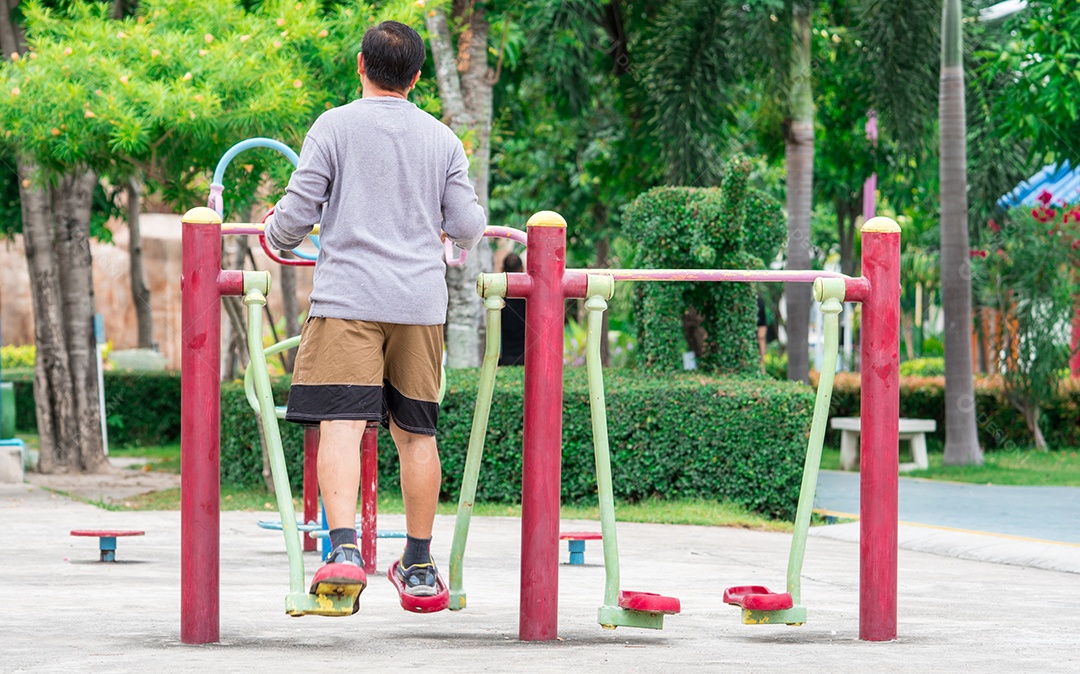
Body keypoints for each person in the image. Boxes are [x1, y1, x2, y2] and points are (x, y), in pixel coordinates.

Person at [265, 20, 486, 611]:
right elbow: (467, 227)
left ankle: (343, 551)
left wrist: (274, 231)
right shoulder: (442, 139)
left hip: (348, 302)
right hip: (417, 305)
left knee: (339, 427)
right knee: (416, 432)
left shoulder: (333, 126)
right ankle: (416, 565)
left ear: (360, 64)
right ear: (417, 78)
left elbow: (296, 213)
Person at [498, 253, 526, 366]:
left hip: (505, 358)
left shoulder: (497, 299)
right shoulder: (529, 298)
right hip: (527, 357)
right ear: (522, 269)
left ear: (502, 270)